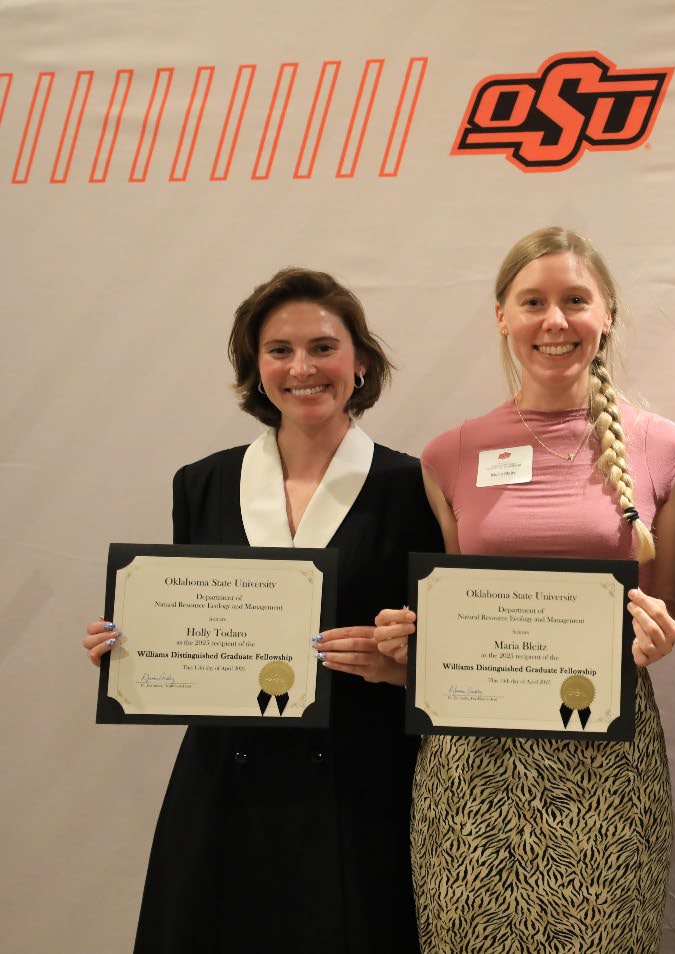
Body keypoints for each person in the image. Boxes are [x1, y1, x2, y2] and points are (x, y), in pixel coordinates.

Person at [81, 268, 442, 953]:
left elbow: (446, 659)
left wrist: (398, 669)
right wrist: (132, 651)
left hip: (359, 786)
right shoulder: (203, 482)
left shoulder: (415, 486)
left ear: (360, 362)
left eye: (323, 347)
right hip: (225, 781)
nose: (302, 368)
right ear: (255, 368)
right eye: (279, 350)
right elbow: (191, 626)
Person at [372, 227, 675, 953]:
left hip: (607, 760)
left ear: (607, 313)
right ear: (502, 316)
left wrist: (659, 633)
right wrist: (415, 640)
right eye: (533, 302)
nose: (556, 322)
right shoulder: (448, 454)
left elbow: (665, 599)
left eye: (575, 300)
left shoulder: (668, 448)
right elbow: (463, 609)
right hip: (472, 767)